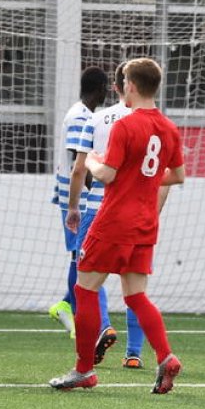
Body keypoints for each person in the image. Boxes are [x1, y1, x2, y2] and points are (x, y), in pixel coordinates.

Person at [49, 57, 186, 395]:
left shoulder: (126, 125)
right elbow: (178, 176)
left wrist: (94, 161)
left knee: (85, 290)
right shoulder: (169, 128)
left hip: (113, 221)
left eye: (124, 82)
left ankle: (83, 370)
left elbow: (107, 174)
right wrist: (145, 180)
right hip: (145, 223)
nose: (122, 87)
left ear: (132, 86)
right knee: (137, 295)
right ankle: (165, 356)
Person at [72, 62, 152, 369]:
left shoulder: (98, 119)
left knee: (87, 281)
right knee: (135, 290)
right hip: (137, 214)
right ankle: (134, 353)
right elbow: (166, 176)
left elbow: (81, 167)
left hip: (98, 210)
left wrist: (73, 207)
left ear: (117, 87)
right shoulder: (153, 123)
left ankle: (101, 330)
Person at [48, 66, 120, 367]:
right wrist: (85, 199)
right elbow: (81, 164)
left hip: (74, 198)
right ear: (102, 88)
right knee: (85, 260)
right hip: (75, 200)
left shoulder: (80, 112)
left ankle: (66, 304)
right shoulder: (81, 117)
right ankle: (98, 323)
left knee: (81, 258)